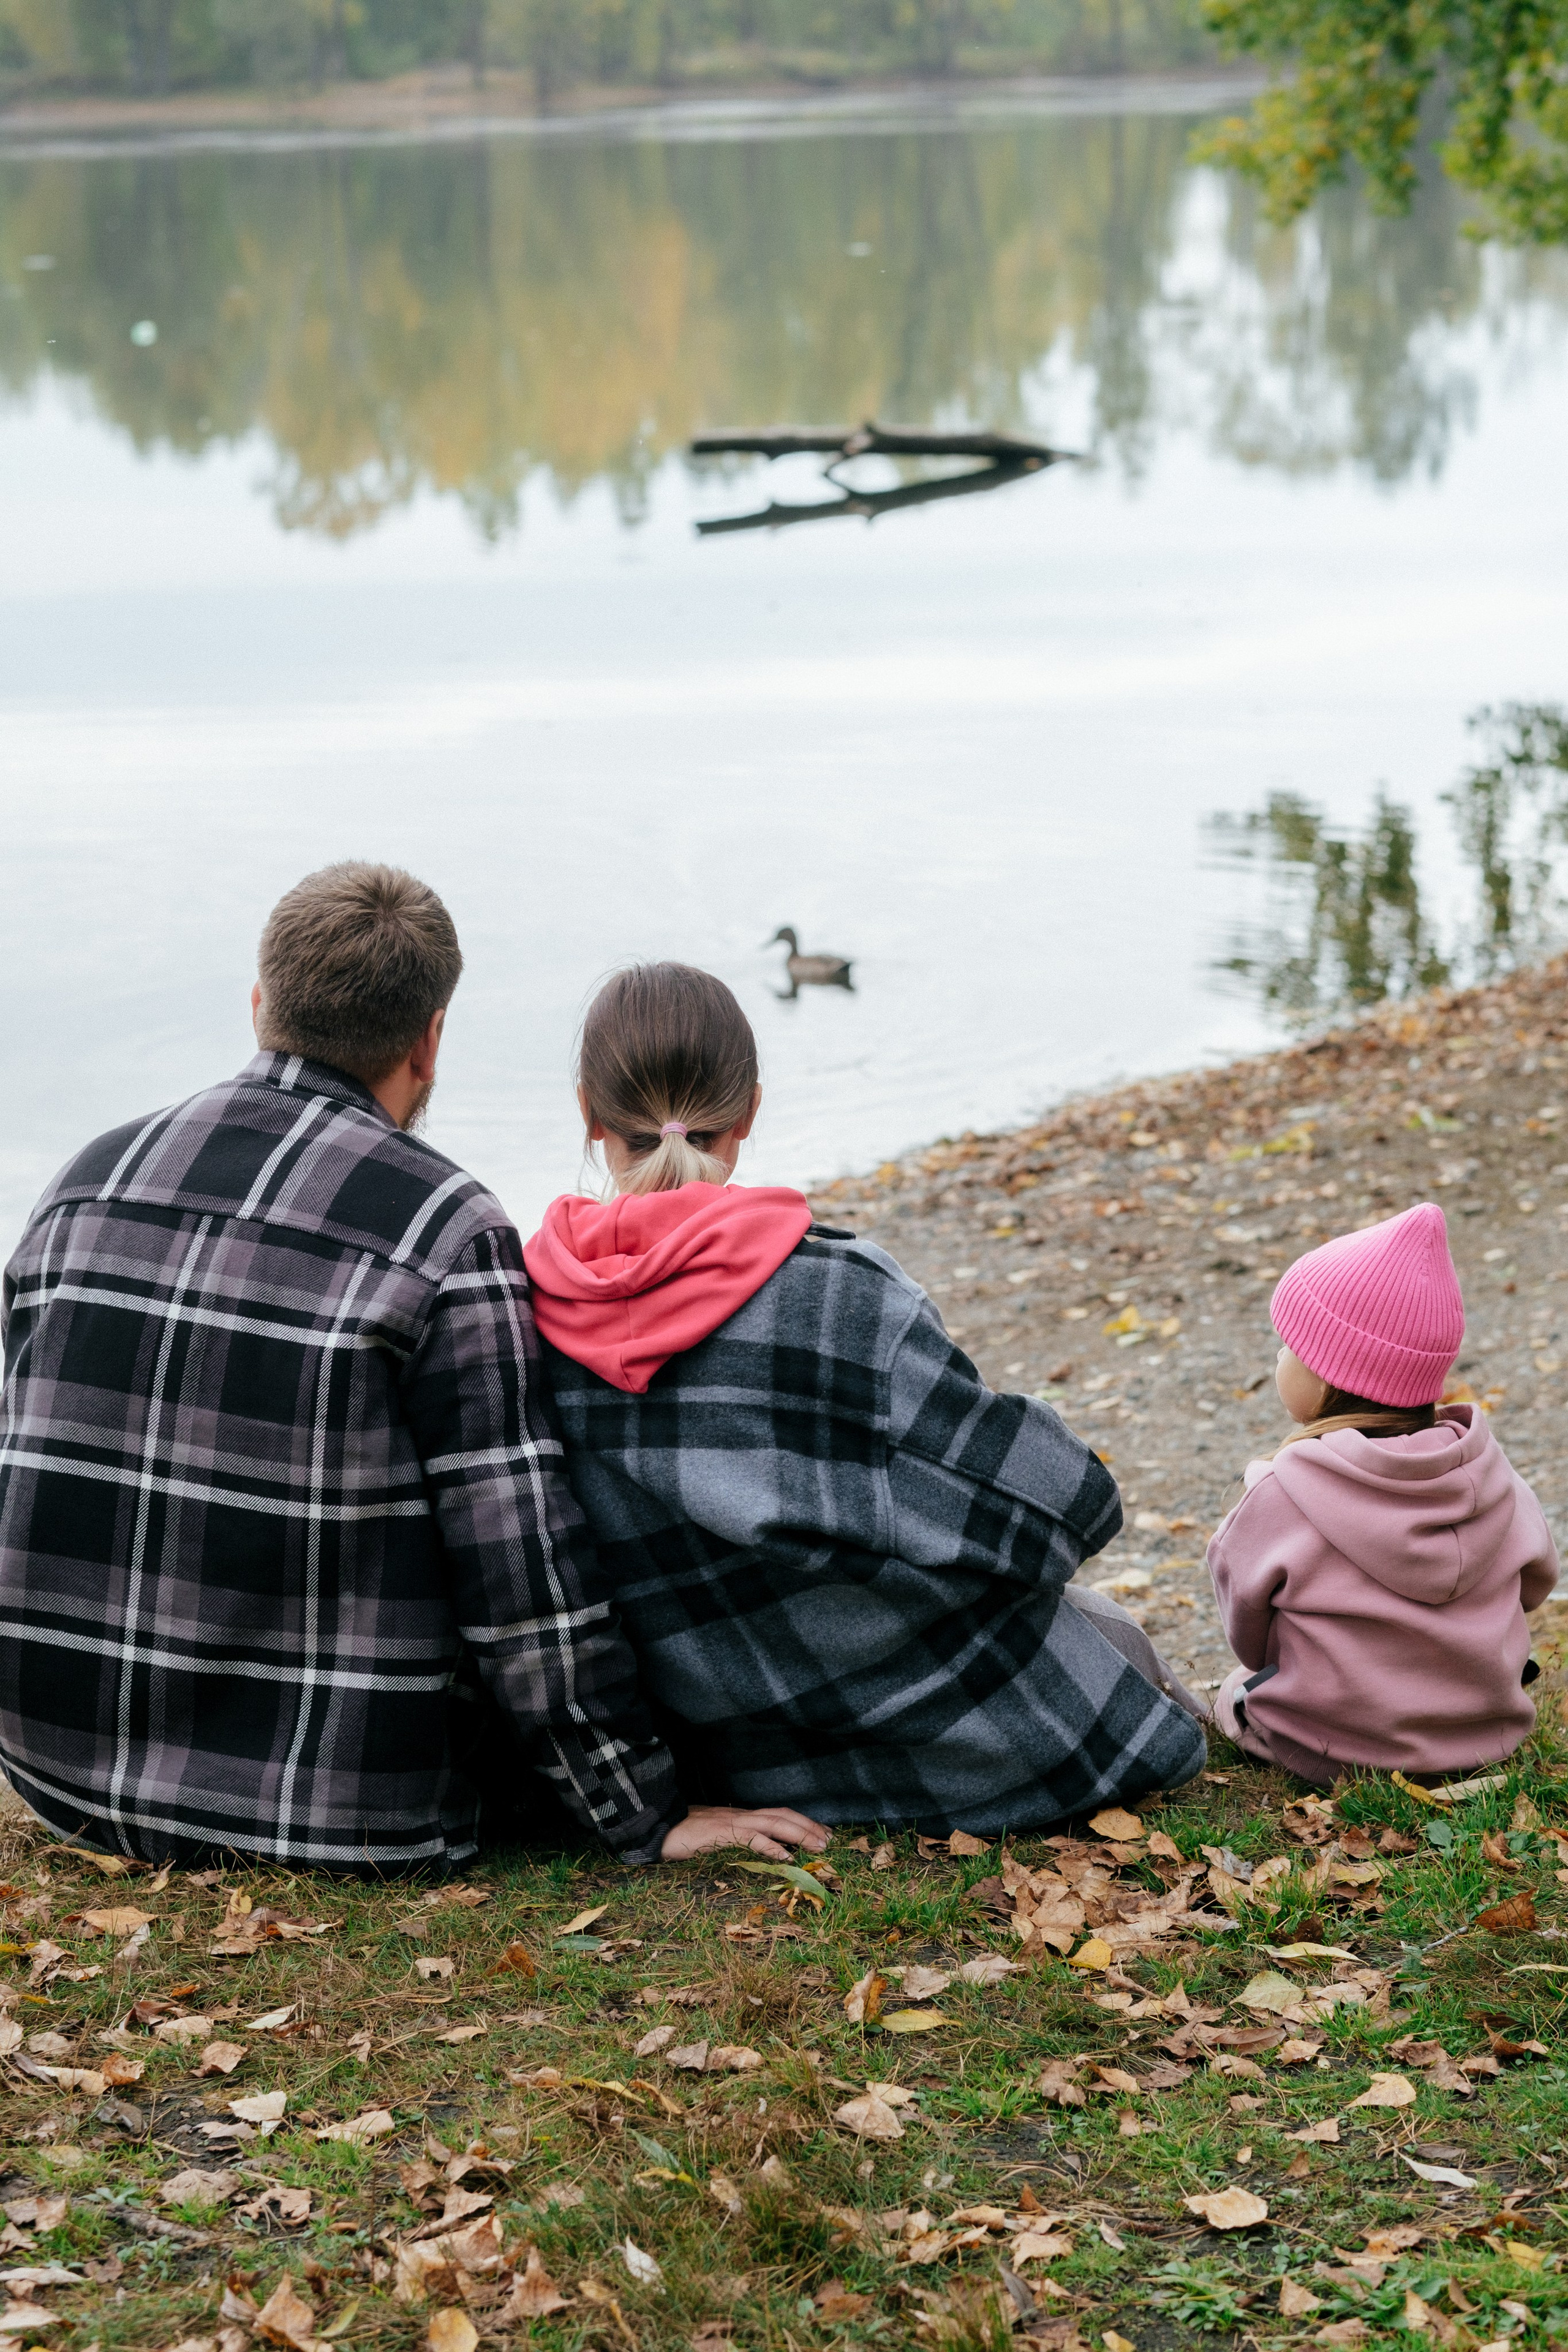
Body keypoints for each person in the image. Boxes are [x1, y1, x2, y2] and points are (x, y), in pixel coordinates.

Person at [0, 866, 820, 1871]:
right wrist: (643, 1809)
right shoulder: (443, 1231)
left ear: (261, 1008)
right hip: (328, 1807)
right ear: (430, 1043)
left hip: (63, 1778)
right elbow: (521, 1572)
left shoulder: (85, 1182)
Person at [521, 962, 1207, 1834]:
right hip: (950, 1744)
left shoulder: (519, 1322)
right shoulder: (844, 1293)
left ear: (588, 1111)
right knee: (1117, 1636)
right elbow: (1054, 1515)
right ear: (750, 1113)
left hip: (725, 1764)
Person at [1208, 1203, 1559, 1785]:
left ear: (1326, 1374)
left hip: (1336, 1749)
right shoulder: (1490, 1475)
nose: (1277, 1358)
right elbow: (1536, 1586)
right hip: (1487, 1734)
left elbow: (1248, 1638)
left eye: (1288, 1347)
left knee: (1235, 1693)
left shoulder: (1279, 1495)